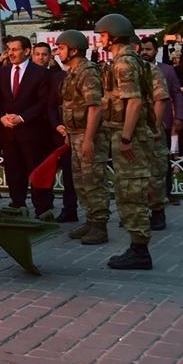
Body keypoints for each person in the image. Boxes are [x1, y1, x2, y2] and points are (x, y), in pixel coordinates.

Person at [97, 13, 155, 270]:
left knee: (131, 191)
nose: (100, 39)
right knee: (128, 189)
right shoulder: (126, 61)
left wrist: (126, 138)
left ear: (113, 35)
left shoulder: (124, 64)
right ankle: (137, 246)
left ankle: (140, 251)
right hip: (125, 132)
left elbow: (134, 101)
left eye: (102, 35)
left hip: (128, 134)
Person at [55, 31, 109, 244]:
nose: (58, 52)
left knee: (93, 180)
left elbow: (95, 107)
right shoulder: (74, 72)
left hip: (89, 135)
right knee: (81, 181)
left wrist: (88, 139)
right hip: (76, 134)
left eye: (61, 48)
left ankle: (100, 226)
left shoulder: (87, 72)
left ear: (74, 49)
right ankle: (91, 220)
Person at [0, 36, 54, 218]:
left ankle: (43, 208)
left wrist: (21, 117)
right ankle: (18, 203)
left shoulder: (40, 73)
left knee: (36, 169)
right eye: (9, 49)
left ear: (27, 51)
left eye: (15, 49)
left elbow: (43, 102)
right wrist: (1, 117)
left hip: (32, 131)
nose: (10, 53)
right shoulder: (2, 72)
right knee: (13, 169)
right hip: (9, 131)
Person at [34, 42, 76, 222]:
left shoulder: (86, 74)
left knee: (69, 172)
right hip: (53, 129)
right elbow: (50, 105)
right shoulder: (56, 77)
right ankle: (45, 202)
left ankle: (71, 208)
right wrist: (56, 125)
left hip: (74, 130)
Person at [140, 37, 183, 206]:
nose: (145, 52)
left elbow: (177, 94)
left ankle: (168, 192)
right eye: (142, 49)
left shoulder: (167, 70)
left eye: (149, 49)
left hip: (162, 123)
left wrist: (179, 116)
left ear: (156, 51)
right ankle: (144, 196)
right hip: (139, 123)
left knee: (163, 160)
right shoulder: (134, 70)